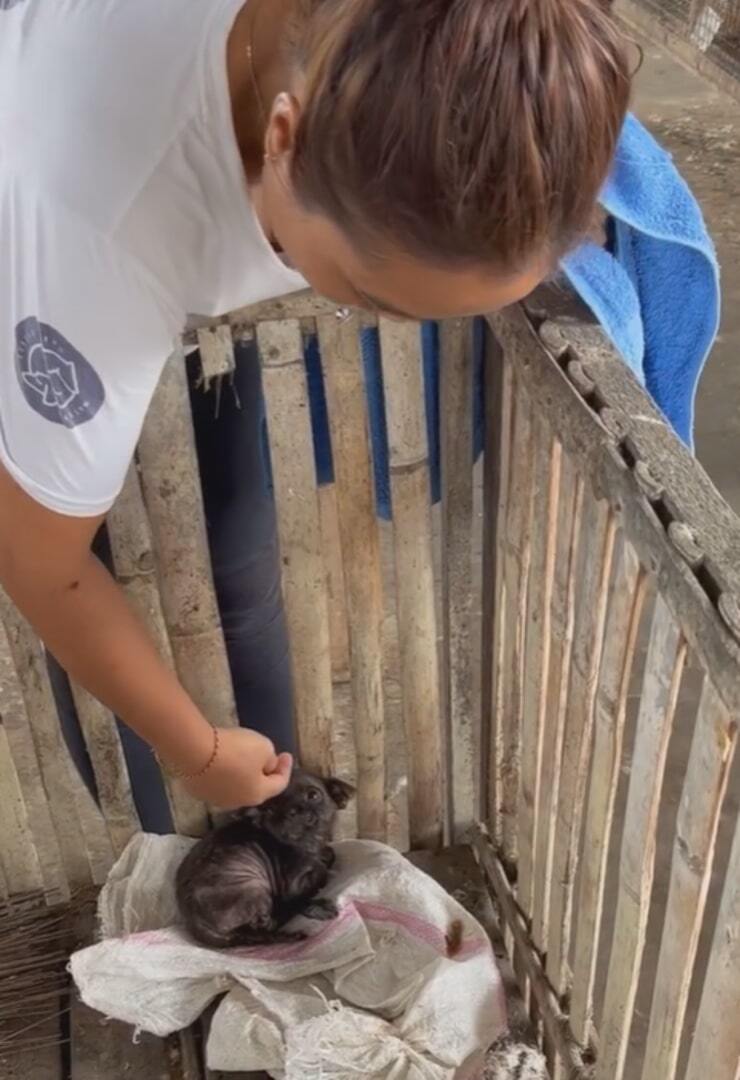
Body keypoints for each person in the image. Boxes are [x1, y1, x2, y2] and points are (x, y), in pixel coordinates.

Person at [0, 0, 630, 822]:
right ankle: (167, 834)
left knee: (237, 531)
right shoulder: (97, 241)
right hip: (71, 192)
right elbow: (42, 563)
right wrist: (199, 751)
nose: (377, 323)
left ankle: (269, 818)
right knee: (96, 547)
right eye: (372, 298)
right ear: (284, 138)